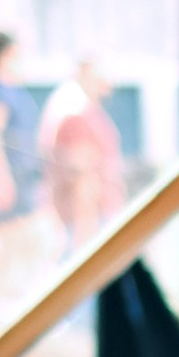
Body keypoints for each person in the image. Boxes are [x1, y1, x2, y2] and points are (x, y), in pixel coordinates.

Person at [0, 29, 44, 297]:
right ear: (6, 54)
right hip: (7, 180)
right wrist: (0, 182)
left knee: (23, 245)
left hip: (21, 178)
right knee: (6, 246)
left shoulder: (10, 90)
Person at [39, 54, 123, 246]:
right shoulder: (77, 114)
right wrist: (85, 240)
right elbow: (83, 180)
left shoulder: (85, 109)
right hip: (86, 226)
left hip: (93, 220)